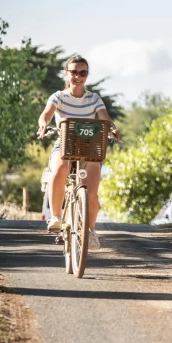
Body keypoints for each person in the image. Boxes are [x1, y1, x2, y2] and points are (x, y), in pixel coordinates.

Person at [37, 55, 121, 251]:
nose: (78, 76)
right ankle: (56, 217)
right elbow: (46, 115)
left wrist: (113, 129)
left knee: (91, 193)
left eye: (82, 72)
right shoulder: (58, 97)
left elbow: (105, 119)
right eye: (73, 72)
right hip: (64, 146)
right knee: (59, 170)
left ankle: (90, 231)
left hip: (89, 148)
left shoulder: (94, 99)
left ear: (87, 76)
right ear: (67, 74)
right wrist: (43, 126)